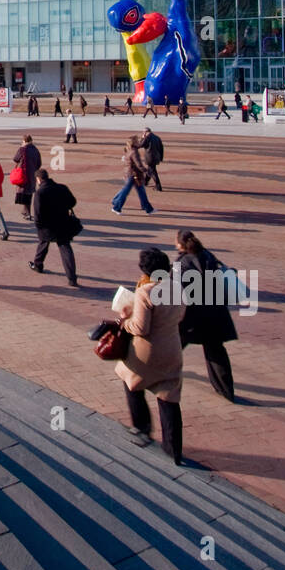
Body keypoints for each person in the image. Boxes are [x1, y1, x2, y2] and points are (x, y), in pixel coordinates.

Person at [115, 247, 185, 464]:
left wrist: (125, 320)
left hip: (147, 353)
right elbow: (180, 316)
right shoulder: (177, 288)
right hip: (172, 349)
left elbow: (140, 327)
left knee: (130, 380)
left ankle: (142, 427)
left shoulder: (146, 292)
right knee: (169, 397)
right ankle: (173, 449)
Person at [174, 229, 238, 402]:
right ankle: (226, 390)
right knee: (216, 350)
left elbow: (176, 289)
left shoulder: (181, 262)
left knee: (175, 344)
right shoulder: (208, 256)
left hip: (192, 314)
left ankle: (158, 369)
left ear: (180, 244)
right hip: (215, 311)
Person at [29, 168, 79, 286]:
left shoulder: (40, 192)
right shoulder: (62, 187)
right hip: (63, 222)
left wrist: (38, 225)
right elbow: (72, 202)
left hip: (47, 225)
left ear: (38, 179)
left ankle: (38, 265)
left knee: (43, 243)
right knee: (65, 248)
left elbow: (37, 212)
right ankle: (72, 277)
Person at [112, 135, 154, 215]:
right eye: (137, 140)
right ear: (134, 142)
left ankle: (148, 208)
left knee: (140, 191)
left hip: (131, 173)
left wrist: (143, 138)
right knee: (126, 191)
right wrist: (146, 171)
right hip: (133, 174)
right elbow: (138, 164)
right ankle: (116, 207)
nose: (138, 141)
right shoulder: (134, 152)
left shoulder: (130, 149)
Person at [12, 134, 41, 220]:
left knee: (24, 192)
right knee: (29, 193)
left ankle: (27, 213)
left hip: (23, 174)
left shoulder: (22, 149)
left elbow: (15, 159)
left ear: (24, 141)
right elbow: (39, 163)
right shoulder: (36, 150)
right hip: (32, 175)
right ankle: (26, 211)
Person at [139, 126, 164, 192]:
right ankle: (145, 182)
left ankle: (158, 186)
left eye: (143, 132)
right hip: (156, 157)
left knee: (153, 171)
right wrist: (161, 157)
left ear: (145, 132)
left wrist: (142, 138)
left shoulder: (147, 138)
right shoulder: (157, 137)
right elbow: (161, 148)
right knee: (150, 170)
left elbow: (140, 145)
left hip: (150, 157)